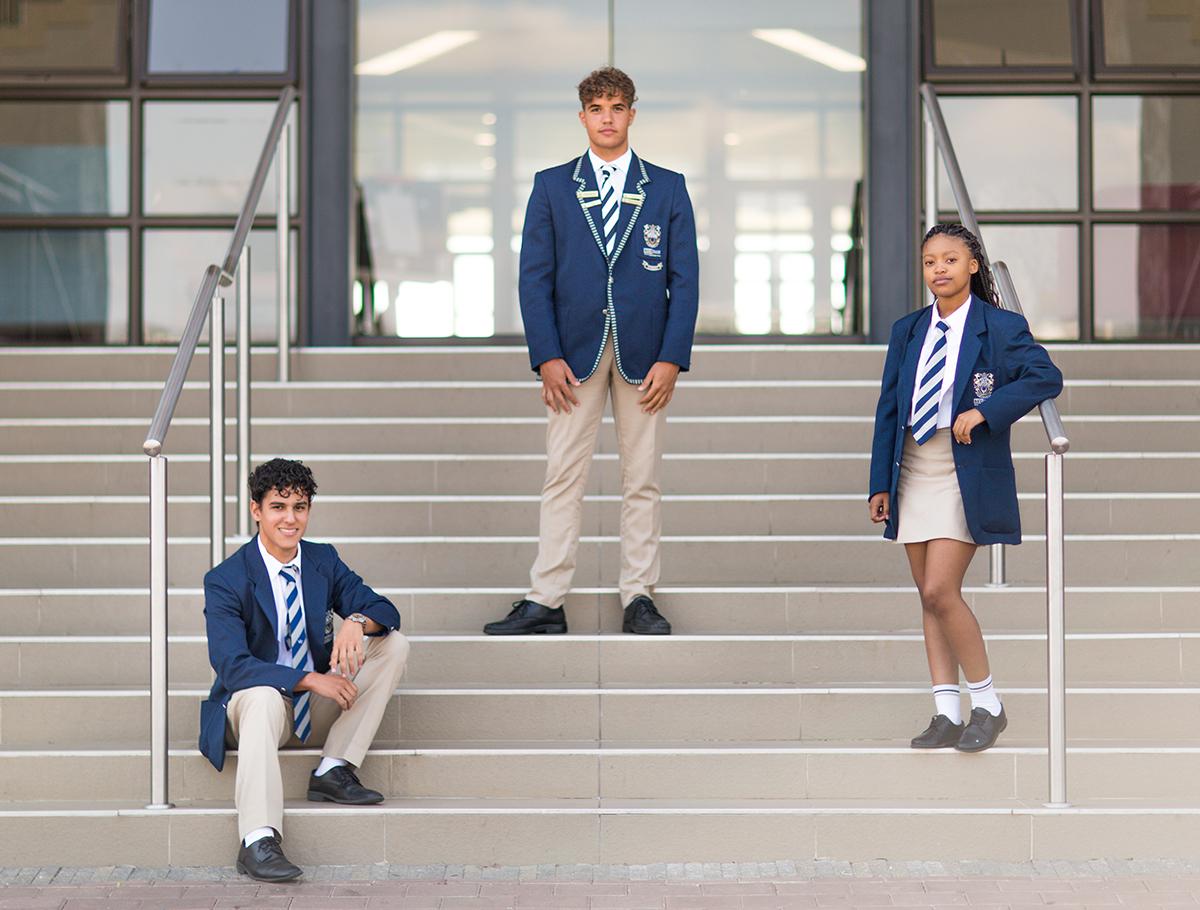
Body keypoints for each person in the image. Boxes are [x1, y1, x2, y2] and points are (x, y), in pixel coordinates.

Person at [483, 66, 699, 636]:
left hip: (645, 354)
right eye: (597, 108)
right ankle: (547, 597)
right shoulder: (552, 186)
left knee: (643, 477)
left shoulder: (667, 186)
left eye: (617, 107)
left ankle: (639, 596)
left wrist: (672, 356)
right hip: (571, 357)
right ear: (582, 117)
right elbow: (534, 278)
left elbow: (686, 278)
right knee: (563, 475)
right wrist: (545, 355)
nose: (607, 118)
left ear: (632, 114)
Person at [867, 223, 1063, 753]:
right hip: (911, 470)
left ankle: (989, 704)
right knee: (926, 600)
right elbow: (889, 408)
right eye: (930, 261)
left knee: (939, 591)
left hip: (963, 473)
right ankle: (946, 712)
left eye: (950, 260)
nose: (939, 270)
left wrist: (985, 411)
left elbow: (1045, 376)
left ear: (973, 265)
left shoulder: (999, 327)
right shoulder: (907, 330)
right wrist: (877, 483)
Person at [199, 458, 410, 882]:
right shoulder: (226, 578)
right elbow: (232, 665)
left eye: (300, 507)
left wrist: (354, 622)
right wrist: (312, 679)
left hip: (310, 704)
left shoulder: (321, 560)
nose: (290, 519)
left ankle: (334, 768)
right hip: (256, 706)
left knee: (392, 643)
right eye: (278, 507)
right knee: (260, 695)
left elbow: (385, 610)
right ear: (256, 510)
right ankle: (258, 839)